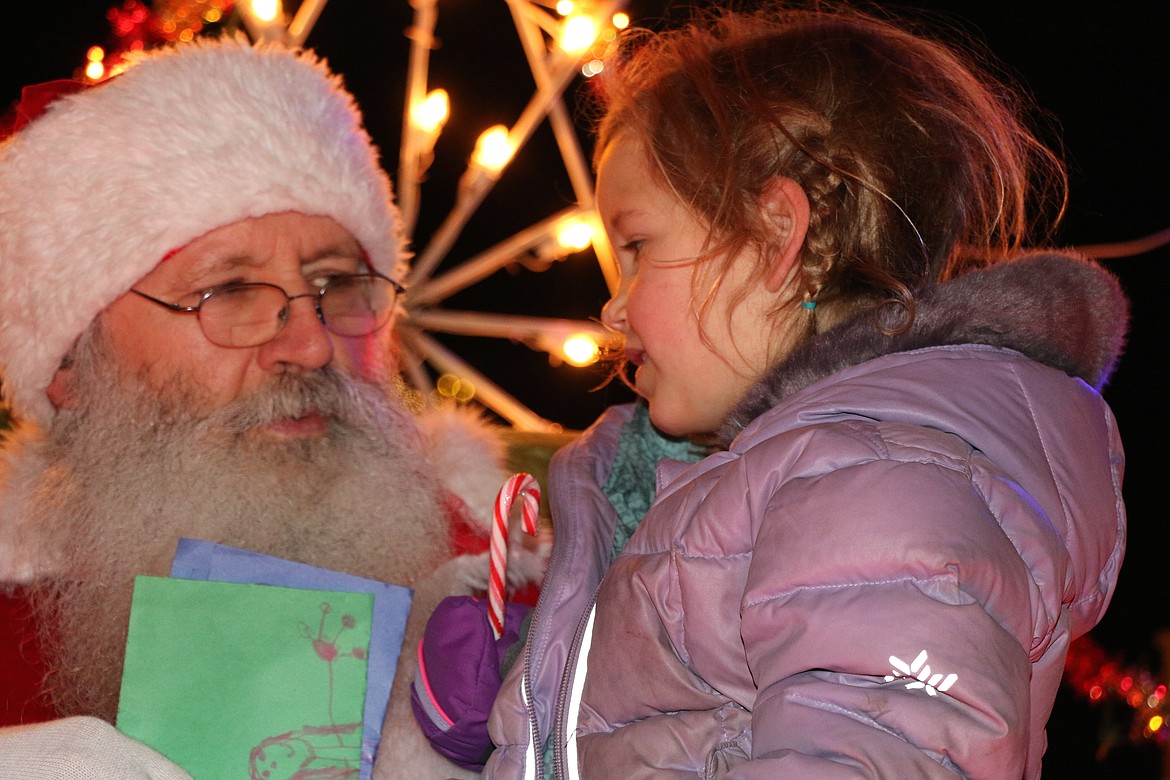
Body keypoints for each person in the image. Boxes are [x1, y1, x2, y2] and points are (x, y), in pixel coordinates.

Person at [485, 5, 1128, 778]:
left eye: (637, 247)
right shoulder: (784, 476)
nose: (613, 306)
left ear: (776, 236)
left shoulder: (879, 484)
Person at [0, 36, 548, 778]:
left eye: (336, 285)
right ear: (72, 362)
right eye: (227, 292)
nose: (312, 346)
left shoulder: (511, 591)